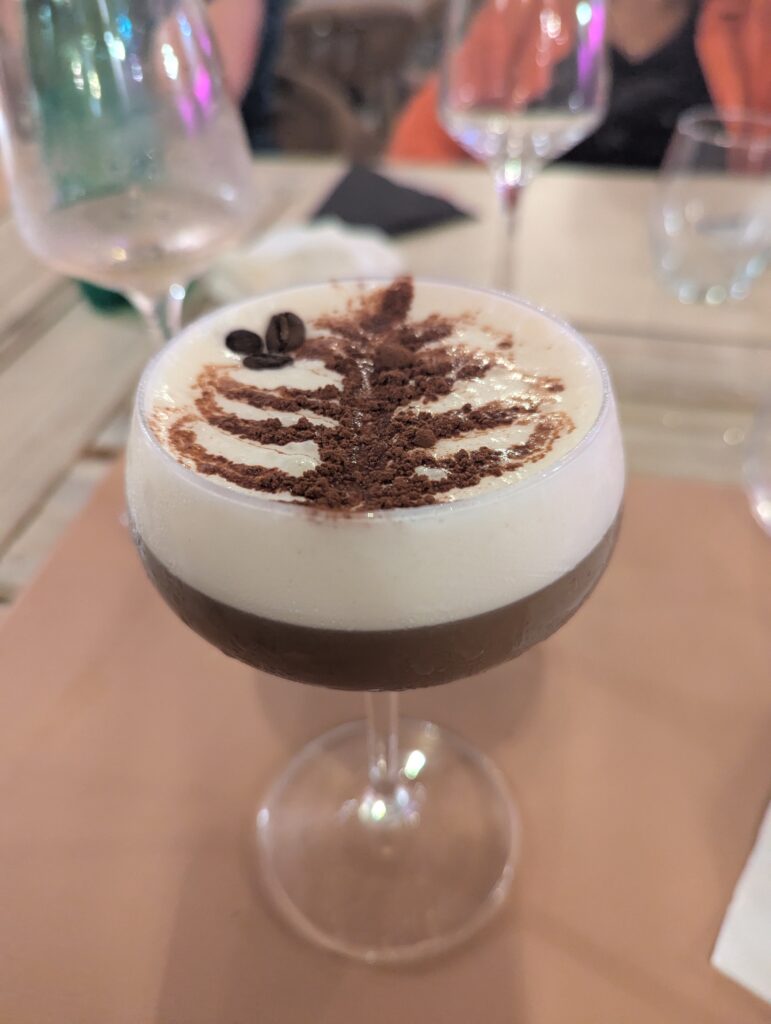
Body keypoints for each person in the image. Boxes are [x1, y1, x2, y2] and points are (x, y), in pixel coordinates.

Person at [388, 0, 771, 168]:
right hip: (548, 231)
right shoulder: (531, 9)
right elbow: (426, 138)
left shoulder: (753, 18)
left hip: (701, 238)